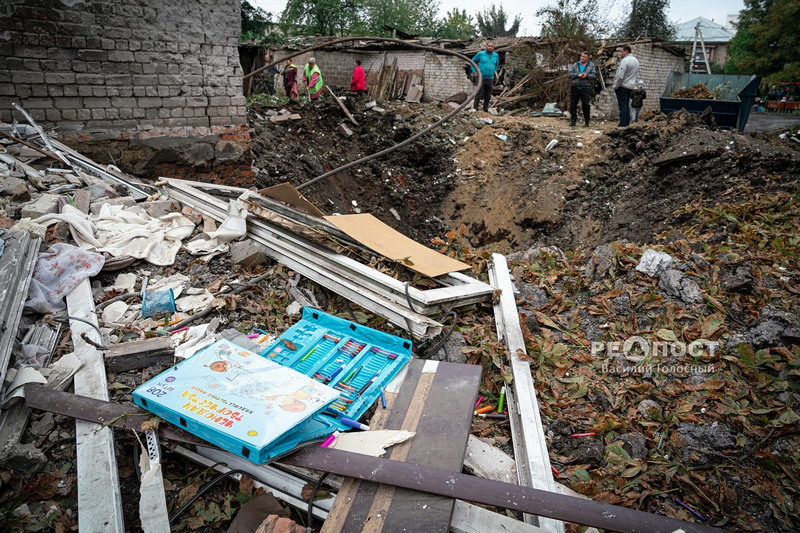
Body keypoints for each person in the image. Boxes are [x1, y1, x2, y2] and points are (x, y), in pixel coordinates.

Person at [612, 44, 640, 127]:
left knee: (622, 106)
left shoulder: (625, 61)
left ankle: (623, 123)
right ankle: (627, 122)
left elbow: (620, 76)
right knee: (627, 105)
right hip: (631, 86)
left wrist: (616, 85)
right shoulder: (636, 61)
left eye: (621, 51)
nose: (620, 53)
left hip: (623, 86)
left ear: (626, 51)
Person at [567, 51, 596, 127]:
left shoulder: (591, 65)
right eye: (581, 56)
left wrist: (586, 75)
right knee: (573, 105)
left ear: (588, 58)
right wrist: (577, 75)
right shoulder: (575, 65)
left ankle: (587, 121)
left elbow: (594, 75)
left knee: (586, 105)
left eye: (584, 57)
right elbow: (569, 74)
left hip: (585, 88)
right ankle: (573, 121)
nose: (582, 58)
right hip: (575, 87)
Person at [470, 41, 500, 113]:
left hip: (490, 78)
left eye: (491, 46)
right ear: (486, 47)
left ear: (493, 48)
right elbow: (472, 62)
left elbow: (496, 64)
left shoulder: (495, 55)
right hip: (481, 77)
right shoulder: (481, 54)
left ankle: (485, 110)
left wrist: (493, 71)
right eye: (489, 46)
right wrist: (474, 71)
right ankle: (475, 109)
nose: (490, 47)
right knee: (479, 93)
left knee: (488, 95)